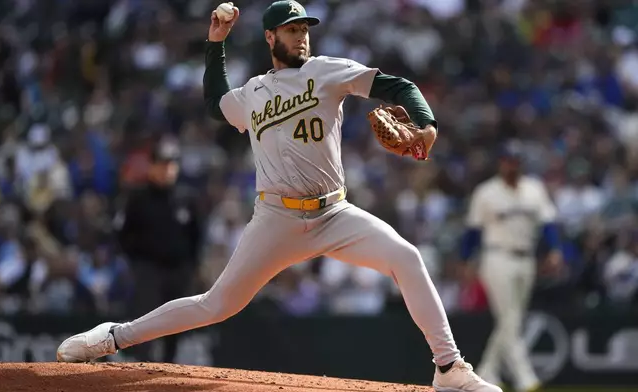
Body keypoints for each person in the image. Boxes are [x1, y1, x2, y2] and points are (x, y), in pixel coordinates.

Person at [57, 2, 501, 391]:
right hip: (276, 219)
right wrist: (216, 43)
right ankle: (115, 336)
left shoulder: (327, 71)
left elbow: (399, 87)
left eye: (305, 29)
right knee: (217, 305)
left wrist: (426, 125)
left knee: (407, 258)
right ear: (271, 36)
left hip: (334, 213)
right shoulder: (254, 92)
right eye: (292, 30)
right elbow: (216, 104)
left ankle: (449, 368)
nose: (301, 37)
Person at [460, 140, 563, 392]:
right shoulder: (486, 192)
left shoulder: (533, 189)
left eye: (516, 161)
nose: (512, 165)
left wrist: (555, 249)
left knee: (511, 320)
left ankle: (486, 372)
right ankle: (526, 379)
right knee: (509, 318)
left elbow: (548, 223)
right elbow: (473, 232)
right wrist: (465, 261)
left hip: (526, 259)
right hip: (497, 258)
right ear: (500, 163)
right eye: (508, 160)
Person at [112, 137, 202, 362]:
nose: (167, 170)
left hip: (178, 270)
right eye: (162, 164)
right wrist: (137, 263)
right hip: (149, 269)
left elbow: (197, 235)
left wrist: (191, 266)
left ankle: (169, 370)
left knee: (177, 321)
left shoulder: (186, 197)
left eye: (171, 164)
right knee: (145, 320)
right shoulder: (138, 197)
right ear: (151, 166)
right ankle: (144, 366)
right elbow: (123, 234)